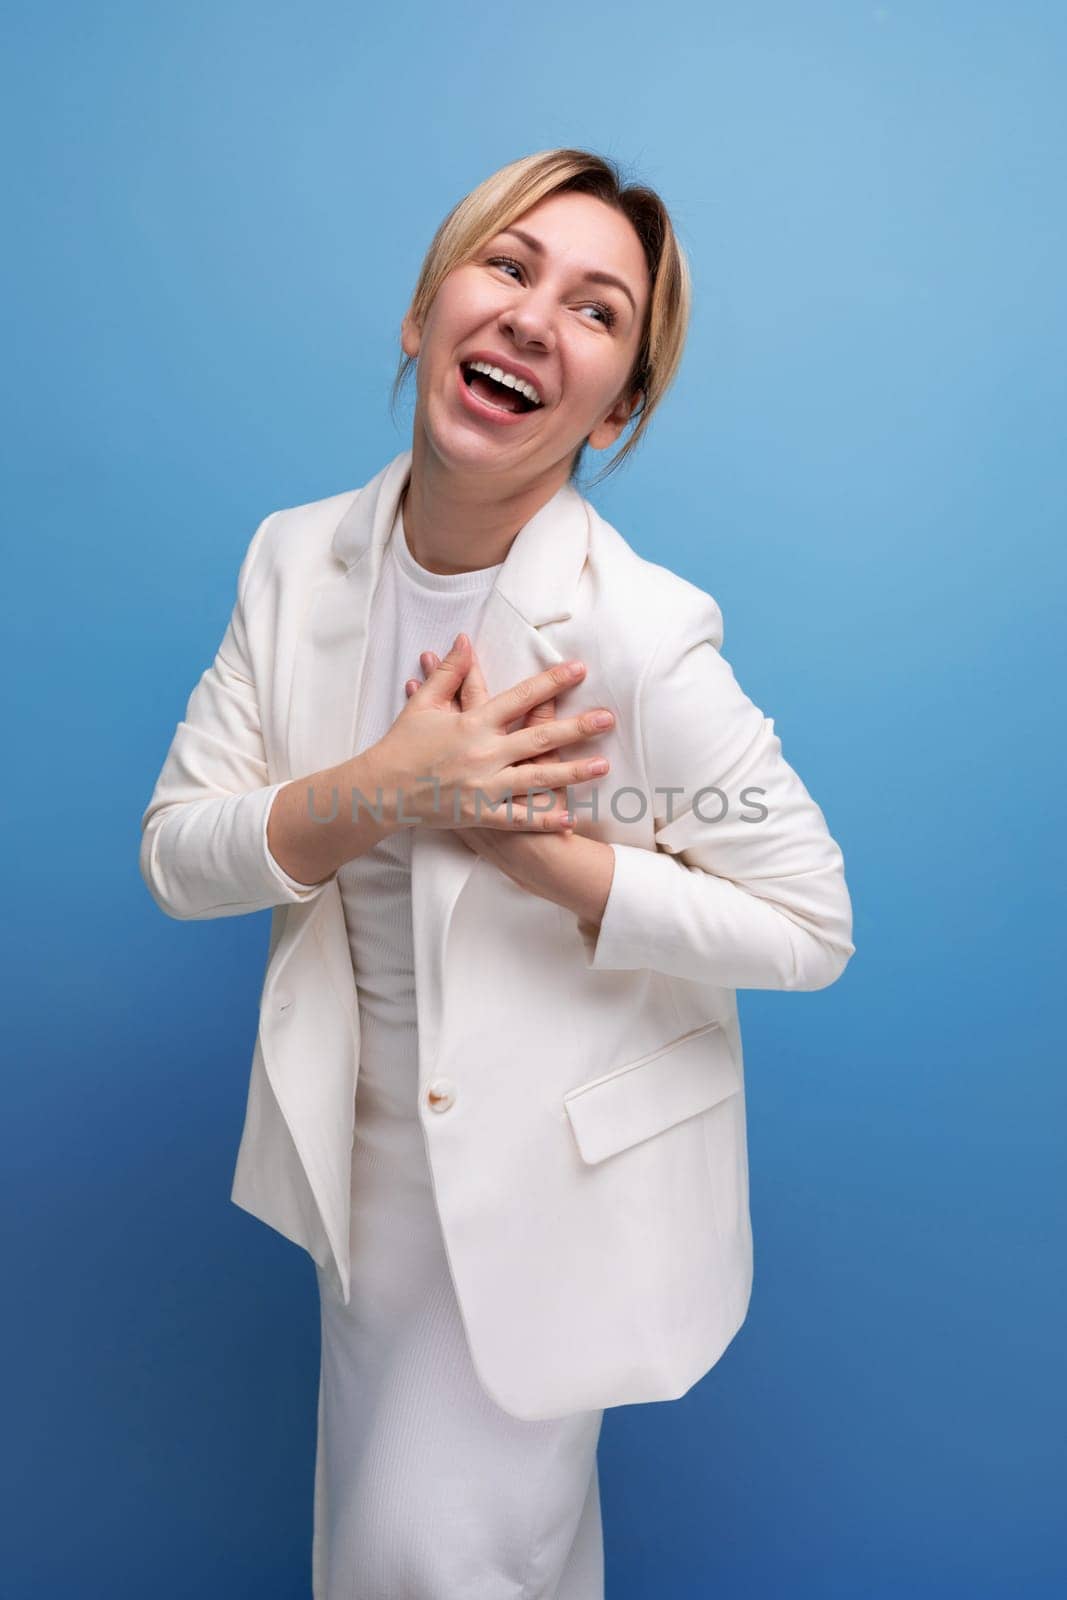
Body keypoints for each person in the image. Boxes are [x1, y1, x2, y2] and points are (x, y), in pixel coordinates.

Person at [140, 147, 855, 1599]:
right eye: (510, 268)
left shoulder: (639, 637)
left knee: (437, 1567)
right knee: (429, 1563)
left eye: (599, 312)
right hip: (364, 1180)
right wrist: (387, 786)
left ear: (622, 404)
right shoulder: (292, 565)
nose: (537, 319)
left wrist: (563, 866)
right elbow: (177, 854)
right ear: (424, 313)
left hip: (541, 1198)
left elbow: (811, 922)